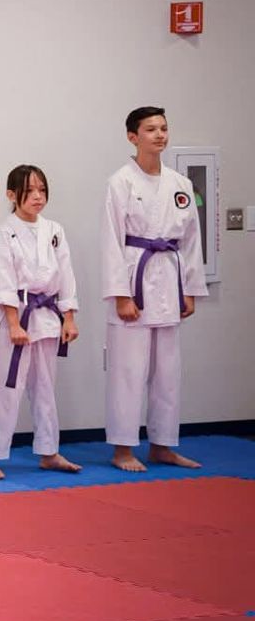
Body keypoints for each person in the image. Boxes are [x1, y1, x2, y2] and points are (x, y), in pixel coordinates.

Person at [102, 107, 207, 472]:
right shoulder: (120, 182)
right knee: (128, 371)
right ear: (133, 137)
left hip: (169, 280)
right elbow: (111, 240)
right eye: (151, 129)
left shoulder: (180, 184)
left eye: (163, 128)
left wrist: (189, 288)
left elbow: (190, 240)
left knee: (168, 373)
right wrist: (121, 295)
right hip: (135, 278)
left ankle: (162, 445)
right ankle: (123, 449)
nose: (160, 134)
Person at [0, 165, 81, 478]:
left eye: (42, 190)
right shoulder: (4, 232)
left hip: (46, 316)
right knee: (3, 387)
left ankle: (49, 451)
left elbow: (66, 274)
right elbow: (2, 278)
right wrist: (13, 323)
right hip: (15, 317)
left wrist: (69, 317)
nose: (37, 196)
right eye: (30, 190)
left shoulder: (54, 230)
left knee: (46, 386)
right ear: (12, 195)